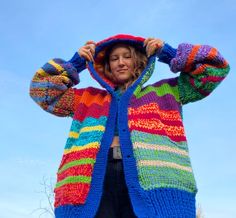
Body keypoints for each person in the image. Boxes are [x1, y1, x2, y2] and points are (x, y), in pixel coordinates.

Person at [29, 34, 230, 218]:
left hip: (154, 182)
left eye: (127, 56)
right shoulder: (86, 98)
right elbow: (41, 90)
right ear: (106, 65)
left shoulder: (168, 91)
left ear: (139, 61)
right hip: (91, 183)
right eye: (114, 58)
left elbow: (215, 69)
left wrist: (168, 53)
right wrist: (76, 63)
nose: (121, 62)